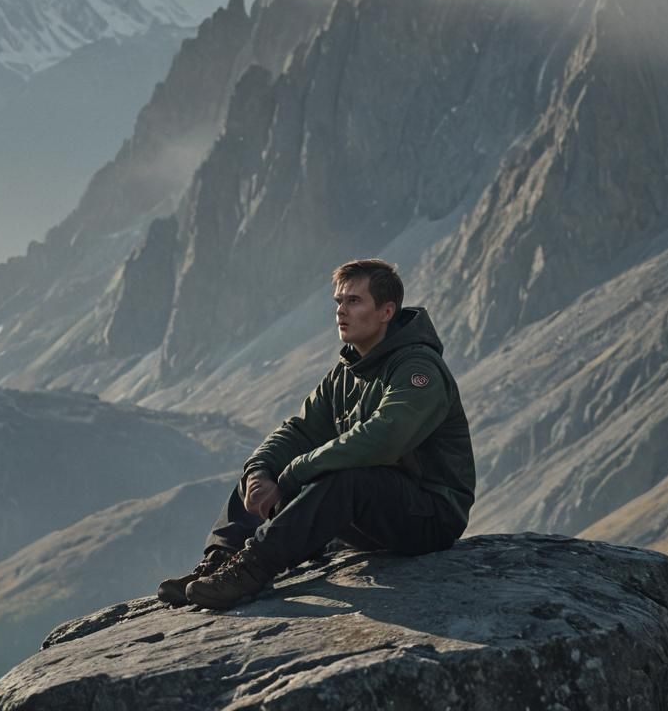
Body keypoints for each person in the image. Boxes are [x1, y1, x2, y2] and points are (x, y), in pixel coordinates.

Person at [157, 258, 475, 611]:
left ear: (386, 311)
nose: (341, 311)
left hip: (429, 517)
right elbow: (300, 430)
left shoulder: (418, 370)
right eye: (339, 302)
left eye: (354, 301)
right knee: (264, 471)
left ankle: (252, 569)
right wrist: (261, 471)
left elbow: (385, 438)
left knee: (346, 478)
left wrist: (294, 474)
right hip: (373, 515)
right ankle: (219, 562)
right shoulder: (348, 370)